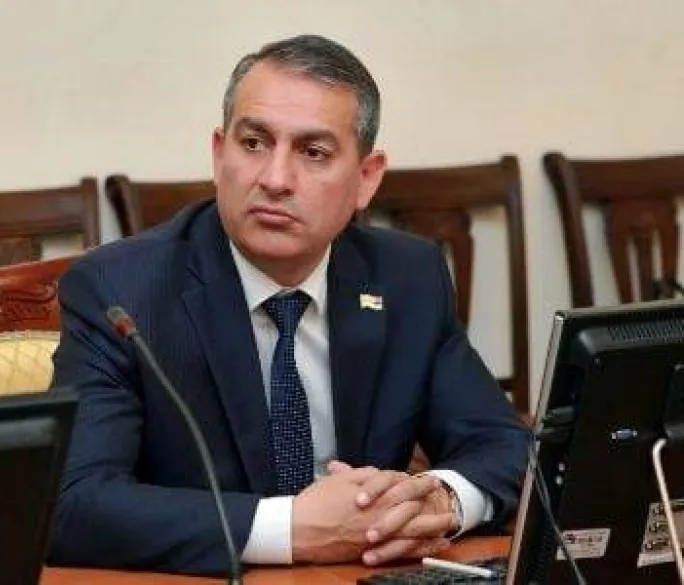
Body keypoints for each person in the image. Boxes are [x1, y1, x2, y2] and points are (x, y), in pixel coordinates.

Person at [48, 34, 529, 576]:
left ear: (366, 178)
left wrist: (440, 501)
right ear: (219, 153)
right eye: (254, 143)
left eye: (313, 152)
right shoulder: (120, 290)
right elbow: (73, 504)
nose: (275, 180)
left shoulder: (406, 277)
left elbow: (505, 445)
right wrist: (292, 528)